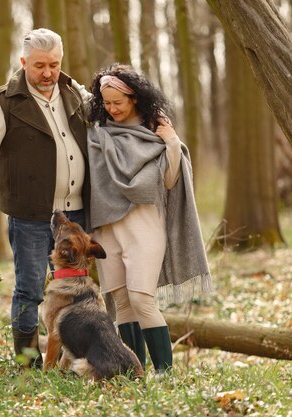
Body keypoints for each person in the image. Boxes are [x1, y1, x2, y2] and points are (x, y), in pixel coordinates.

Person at [0, 28, 91, 369]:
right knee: (30, 290)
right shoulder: (3, 102)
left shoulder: (74, 92)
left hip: (75, 214)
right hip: (31, 215)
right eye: (39, 65)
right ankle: (27, 365)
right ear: (23, 62)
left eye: (54, 64)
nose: (47, 73)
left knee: (78, 290)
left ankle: (72, 362)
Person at [86, 63, 212, 373]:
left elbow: (168, 181)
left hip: (146, 228)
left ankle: (164, 373)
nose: (112, 109)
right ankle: (134, 372)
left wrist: (170, 141)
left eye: (118, 102)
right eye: (107, 103)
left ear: (135, 99)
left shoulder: (155, 134)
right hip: (107, 230)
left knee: (142, 300)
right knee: (122, 303)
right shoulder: (99, 133)